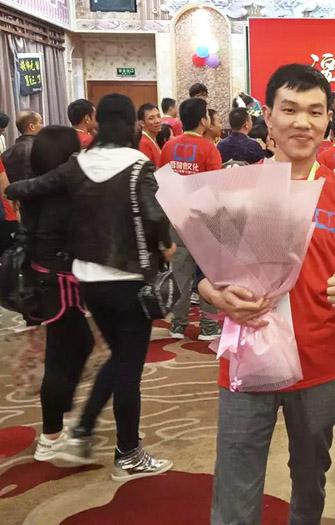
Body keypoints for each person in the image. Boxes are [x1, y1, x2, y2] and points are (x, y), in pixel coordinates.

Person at [199, 63, 335, 525]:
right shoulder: (235, 188)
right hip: (245, 360)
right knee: (236, 483)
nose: (302, 122)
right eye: (290, 109)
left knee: (311, 477)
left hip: (317, 363)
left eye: (315, 112)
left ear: (328, 119)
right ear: (269, 116)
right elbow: (204, 275)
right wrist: (215, 295)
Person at [6, 93, 176, 479]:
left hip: (89, 281)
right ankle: (127, 454)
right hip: (129, 280)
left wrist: (13, 192)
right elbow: (155, 216)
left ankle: (83, 430)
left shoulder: (78, 164)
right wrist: (166, 245)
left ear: (99, 123)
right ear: (131, 123)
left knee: (119, 358)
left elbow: (32, 187)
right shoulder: (138, 164)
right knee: (128, 367)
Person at [9, 126, 95, 461]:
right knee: (59, 358)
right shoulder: (59, 194)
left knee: (79, 345)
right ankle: (51, 435)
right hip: (59, 283)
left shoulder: (37, 188)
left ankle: (63, 414)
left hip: (50, 278)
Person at [160, 97, 222, 340]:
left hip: (176, 217)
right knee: (208, 273)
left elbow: (161, 183)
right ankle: (208, 326)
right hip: (203, 219)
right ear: (203, 120)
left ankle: (178, 324)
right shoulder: (209, 149)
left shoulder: (168, 147)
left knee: (179, 273)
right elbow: (215, 190)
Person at [1, 110, 43, 183]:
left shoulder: (5, 155)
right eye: (40, 122)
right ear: (32, 126)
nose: (43, 126)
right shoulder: (43, 150)